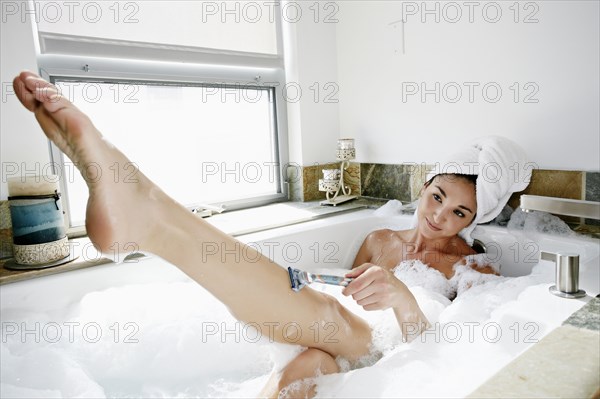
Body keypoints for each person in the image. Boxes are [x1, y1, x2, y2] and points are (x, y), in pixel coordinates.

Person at [11, 71, 527, 398]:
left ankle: (150, 217)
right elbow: (336, 291)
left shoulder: (472, 266)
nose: (440, 217)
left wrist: (402, 299)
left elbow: (453, 349)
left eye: (461, 213)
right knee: (312, 362)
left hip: (398, 348)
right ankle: (144, 214)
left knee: (326, 326)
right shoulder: (378, 240)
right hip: (339, 336)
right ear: (425, 184)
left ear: (473, 223)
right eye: (438, 196)